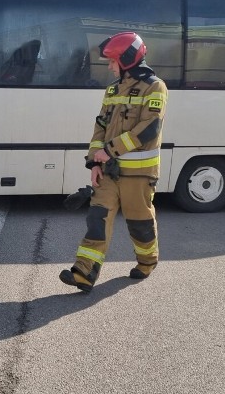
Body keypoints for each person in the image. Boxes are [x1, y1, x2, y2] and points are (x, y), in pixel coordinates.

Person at [59, 32, 168, 293]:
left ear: (128, 59)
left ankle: (147, 261)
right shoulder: (112, 90)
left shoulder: (155, 87)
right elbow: (101, 127)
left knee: (139, 222)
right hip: (109, 171)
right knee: (97, 219)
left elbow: (149, 129)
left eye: (112, 61)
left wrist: (110, 150)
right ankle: (84, 272)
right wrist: (93, 163)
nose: (109, 66)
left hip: (139, 174)